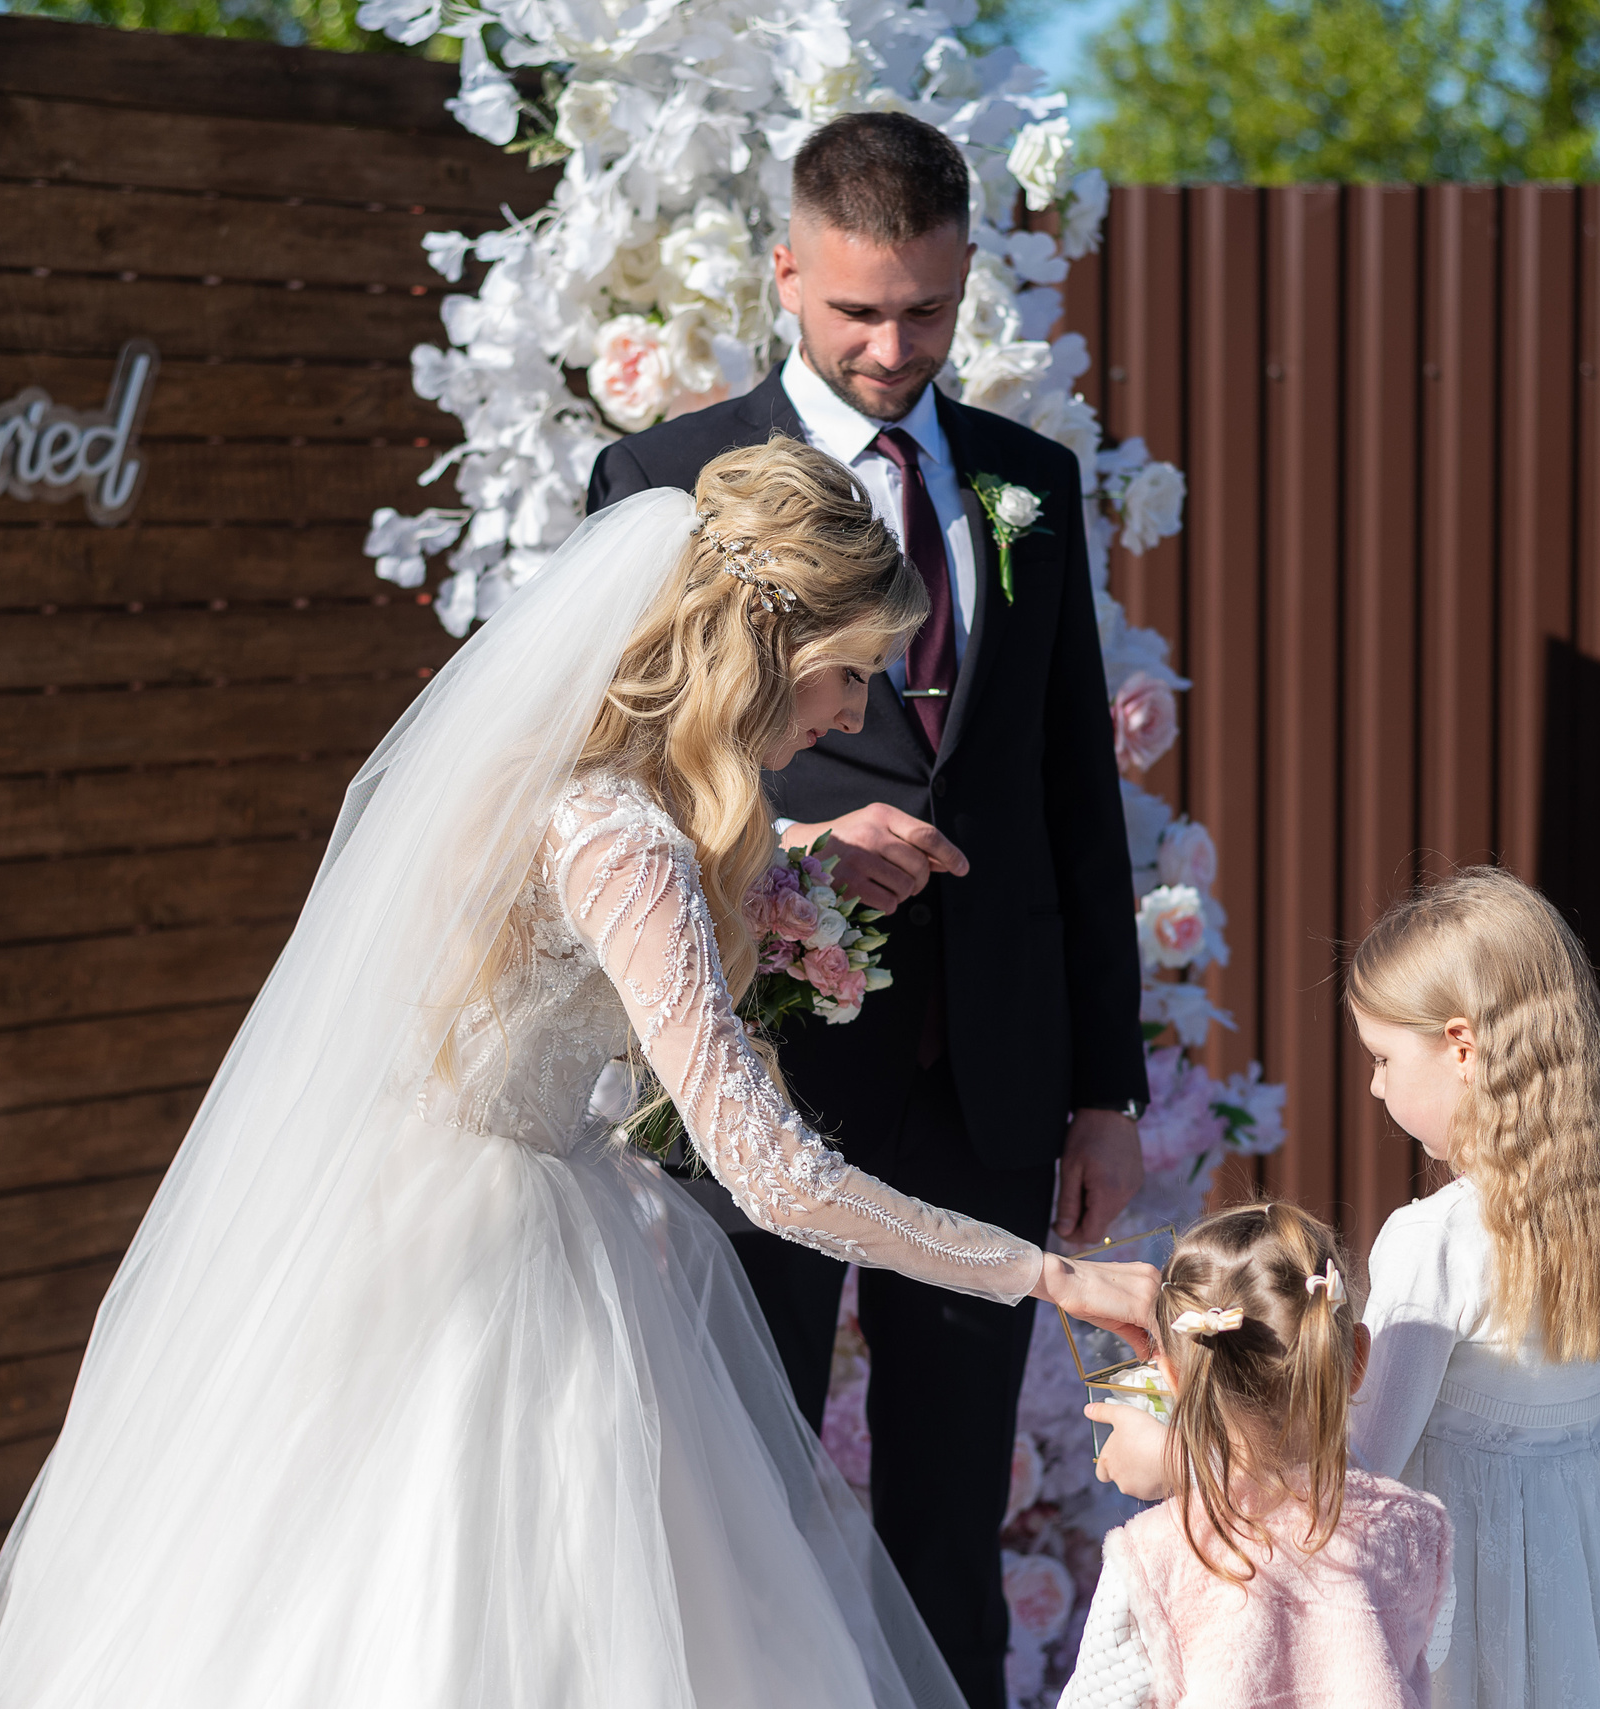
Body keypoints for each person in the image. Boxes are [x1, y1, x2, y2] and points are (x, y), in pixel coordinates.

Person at [0, 441, 1158, 1709]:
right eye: (846, 673)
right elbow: (775, 1176)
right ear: (760, 649)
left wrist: (780, 871)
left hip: (424, 1208)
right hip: (491, 1271)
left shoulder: (572, 789)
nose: (855, 714)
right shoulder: (627, 844)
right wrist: (1043, 1269)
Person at [587, 110, 1148, 1709]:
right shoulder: (664, 478)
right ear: (787, 272)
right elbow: (618, 762)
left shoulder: (1032, 484)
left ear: (970, 277)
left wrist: (1103, 1089)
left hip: (990, 1080)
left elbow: (1070, 804)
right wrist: (804, 829)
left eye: (928, 309)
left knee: (948, 1526)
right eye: (858, 312)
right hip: (758, 1073)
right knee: (738, 1499)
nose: (896, 346)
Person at [1343, 867, 1600, 1709]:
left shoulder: (1434, 1238)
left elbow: (1365, 1467)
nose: (1375, 1085)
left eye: (1385, 1057)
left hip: (1468, 1593)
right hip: (1590, 1577)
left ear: (1462, 1048)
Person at [1060, 1203, 1455, 1709]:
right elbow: (1430, 1651)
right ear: (1356, 1360)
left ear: (1173, 1380)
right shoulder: (1415, 1527)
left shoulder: (1152, 1554)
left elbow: (1094, 1700)